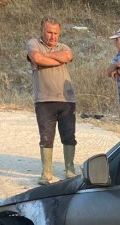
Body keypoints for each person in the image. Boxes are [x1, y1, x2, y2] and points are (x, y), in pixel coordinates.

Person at [26, 17, 77, 184]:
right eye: (49, 32)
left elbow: (68, 56)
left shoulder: (64, 47)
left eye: (56, 33)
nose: (53, 36)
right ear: (42, 30)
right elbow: (37, 59)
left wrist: (45, 57)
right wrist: (54, 58)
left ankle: (70, 169)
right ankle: (46, 173)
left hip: (67, 99)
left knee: (69, 135)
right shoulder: (33, 43)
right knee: (46, 137)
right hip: (44, 99)